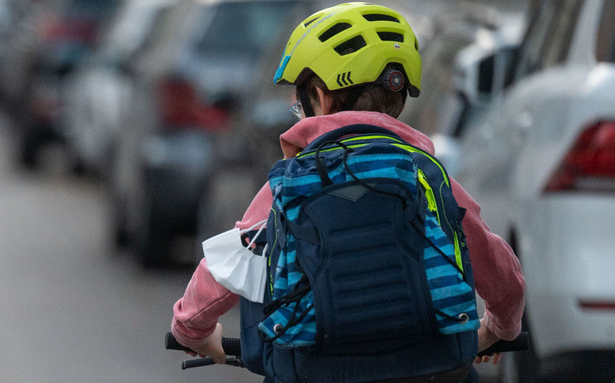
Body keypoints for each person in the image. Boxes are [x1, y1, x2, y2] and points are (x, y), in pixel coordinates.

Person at [171, 2, 525, 381]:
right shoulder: (425, 175)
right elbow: (499, 269)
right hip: (433, 363)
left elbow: (227, 269)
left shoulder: (293, 181)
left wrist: (192, 331)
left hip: (314, 368)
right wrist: (499, 328)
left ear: (320, 98)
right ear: (399, 97)